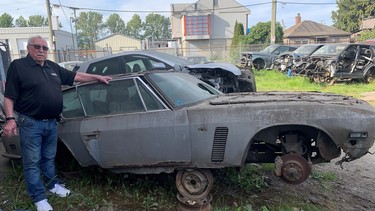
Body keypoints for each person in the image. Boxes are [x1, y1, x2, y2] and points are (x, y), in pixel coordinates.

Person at [2, 35, 112, 211]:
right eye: (37, 47)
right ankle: (38, 198)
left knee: (48, 158)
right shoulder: (19, 66)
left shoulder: (52, 67)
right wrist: (10, 119)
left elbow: (76, 76)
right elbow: (9, 96)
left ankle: (52, 185)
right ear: (29, 48)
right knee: (32, 161)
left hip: (51, 123)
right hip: (30, 122)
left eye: (45, 48)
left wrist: (97, 77)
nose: (41, 51)